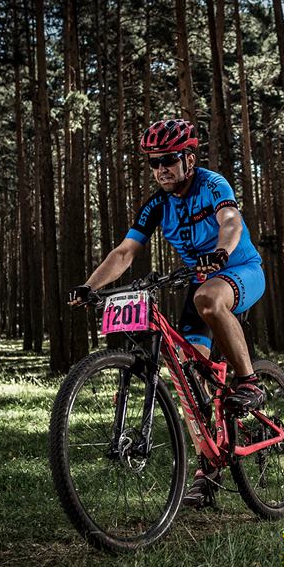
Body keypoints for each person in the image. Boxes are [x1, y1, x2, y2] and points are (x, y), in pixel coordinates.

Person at [67, 118, 265, 508]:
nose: (161, 169)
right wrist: (90, 286)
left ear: (189, 158)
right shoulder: (157, 204)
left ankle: (250, 382)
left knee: (208, 299)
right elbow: (125, 252)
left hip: (240, 269)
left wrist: (221, 251)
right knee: (189, 382)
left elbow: (231, 222)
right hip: (201, 280)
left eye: (169, 160)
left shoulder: (212, 184)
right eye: (154, 162)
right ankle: (208, 471)